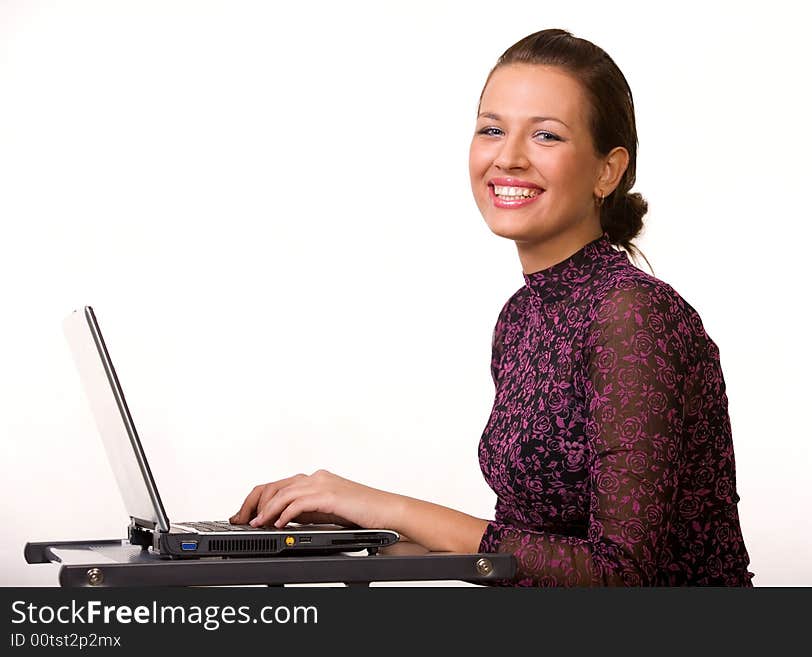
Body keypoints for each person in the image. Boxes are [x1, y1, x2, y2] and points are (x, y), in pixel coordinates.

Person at [229, 28, 753, 586]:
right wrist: (354, 535)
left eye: (546, 136)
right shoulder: (522, 317)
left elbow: (618, 576)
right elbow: (521, 554)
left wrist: (386, 507)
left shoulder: (631, 316)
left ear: (608, 170)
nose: (509, 157)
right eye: (492, 130)